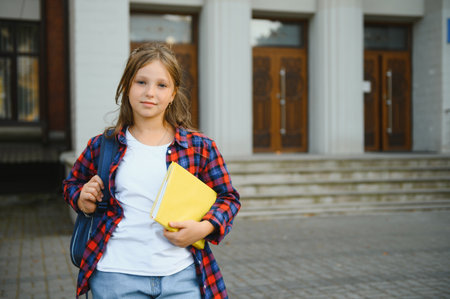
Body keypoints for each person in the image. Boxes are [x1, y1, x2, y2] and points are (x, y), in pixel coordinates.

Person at [63, 42, 240, 299]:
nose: (150, 93)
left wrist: (203, 229)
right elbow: (72, 184)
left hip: (183, 276)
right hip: (116, 277)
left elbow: (228, 199)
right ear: (126, 86)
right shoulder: (103, 146)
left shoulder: (200, 148)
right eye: (141, 82)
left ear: (173, 93)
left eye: (161, 85)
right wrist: (81, 198)